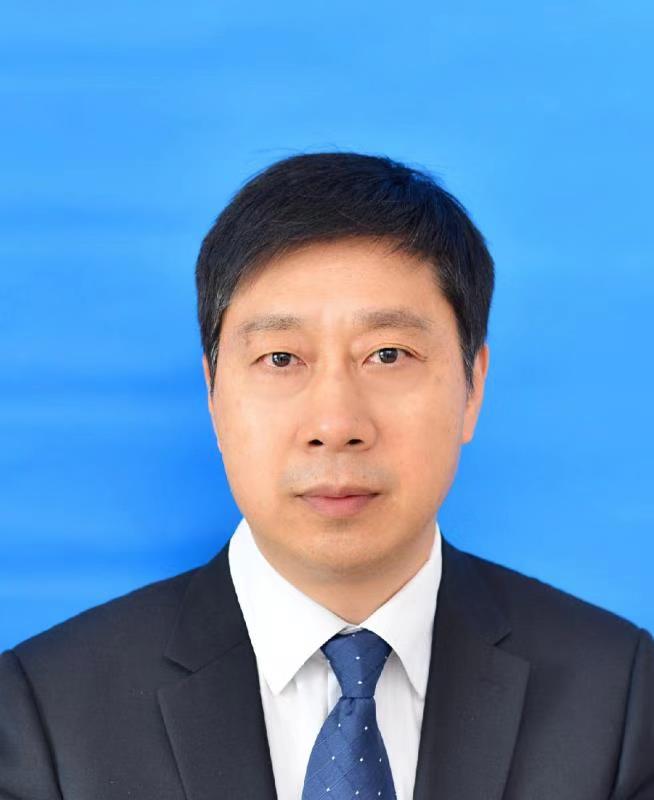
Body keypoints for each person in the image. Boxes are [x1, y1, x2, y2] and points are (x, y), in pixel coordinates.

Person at [1, 152, 652, 800]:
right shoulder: (43, 713)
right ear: (213, 393)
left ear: (473, 386)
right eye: (281, 358)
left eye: (388, 354)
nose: (336, 424)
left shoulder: (620, 696)